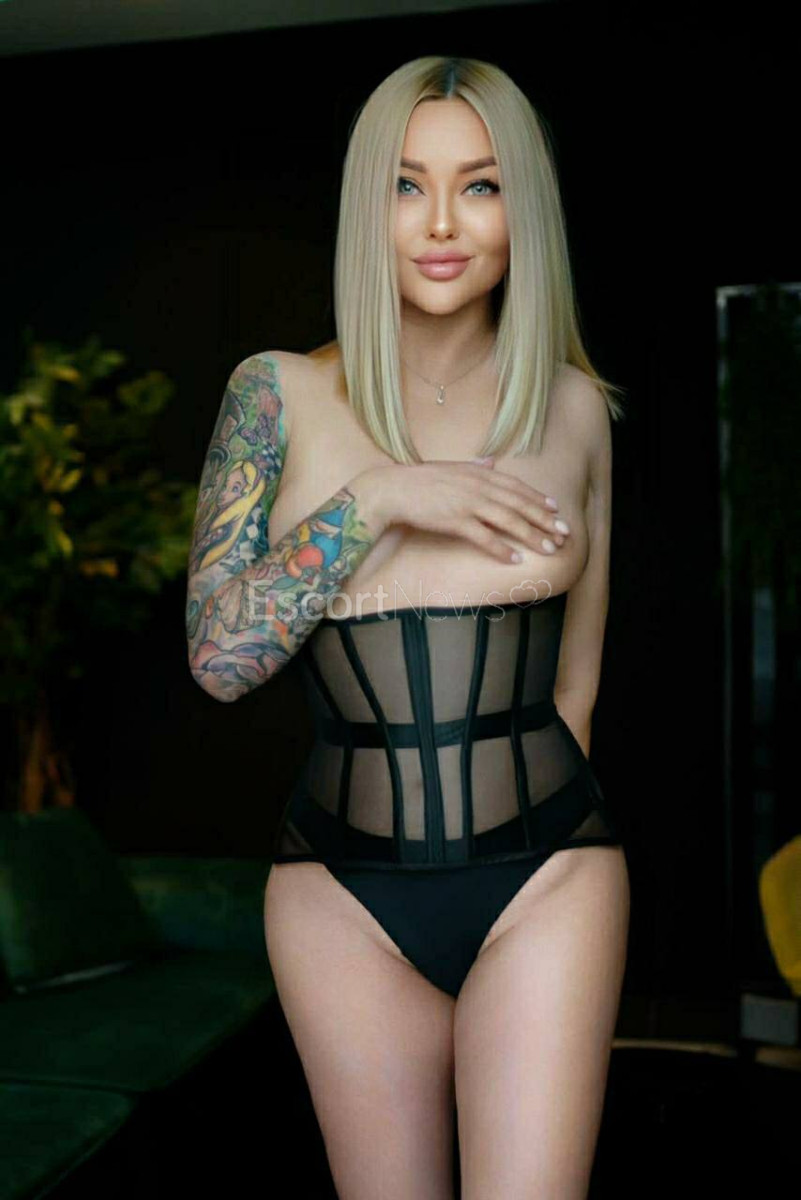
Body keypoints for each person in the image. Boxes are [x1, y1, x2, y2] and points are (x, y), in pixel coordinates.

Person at [186, 55, 630, 1200]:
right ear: (364, 206)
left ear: (522, 210)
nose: (441, 223)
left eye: (480, 185)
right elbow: (218, 659)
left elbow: (576, 689)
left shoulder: (575, 409)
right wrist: (379, 499)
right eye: (405, 184)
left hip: (548, 880)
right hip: (339, 899)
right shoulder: (274, 394)